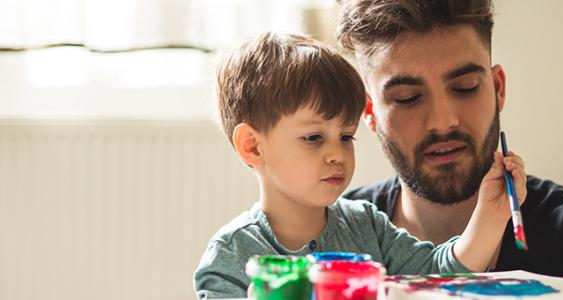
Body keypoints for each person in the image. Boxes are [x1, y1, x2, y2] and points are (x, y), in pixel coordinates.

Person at [193, 32, 527, 299]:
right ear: (252, 146)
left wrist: (489, 215)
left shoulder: (366, 224)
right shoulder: (232, 255)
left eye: (346, 137)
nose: (336, 153)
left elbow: (440, 274)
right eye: (313, 137)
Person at [337, 0, 563, 282]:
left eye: (466, 88)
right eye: (407, 98)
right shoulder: (331, 236)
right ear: (370, 111)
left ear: (498, 89)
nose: (442, 121)